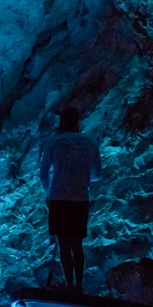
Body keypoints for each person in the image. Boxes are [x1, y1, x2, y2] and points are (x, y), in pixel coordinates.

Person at [40, 107, 102, 292]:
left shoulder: (53, 143)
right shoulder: (91, 143)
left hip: (58, 197)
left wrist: (48, 195)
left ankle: (69, 285)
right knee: (77, 243)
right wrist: (81, 178)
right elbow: (97, 175)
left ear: (61, 123)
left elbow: (44, 175)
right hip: (80, 198)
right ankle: (80, 285)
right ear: (79, 122)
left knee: (63, 244)